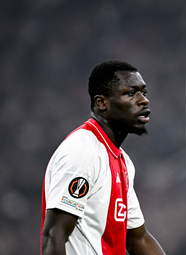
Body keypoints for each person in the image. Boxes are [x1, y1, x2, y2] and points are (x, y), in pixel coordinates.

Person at [41, 60, 166, 255]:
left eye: (144, 92)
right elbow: (54, 234)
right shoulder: (82, 151)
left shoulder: (122, 161)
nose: (143, 100)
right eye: (131, 93)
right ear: (101, 103)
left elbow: (137, 238)